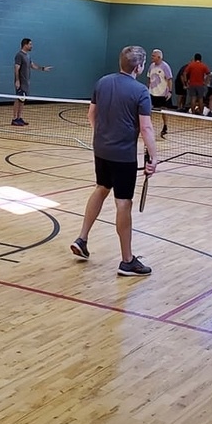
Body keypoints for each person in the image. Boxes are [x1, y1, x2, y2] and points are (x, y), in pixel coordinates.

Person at [70, 45, 159, 277]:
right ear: (139, 67)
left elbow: (92, 115)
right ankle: (127, 261)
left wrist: (101, 136)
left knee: (101, 188)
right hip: (123, 156)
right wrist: (154, 157)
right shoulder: (141, 92)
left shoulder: (102, 82)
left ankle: (82, 238)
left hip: (101, 150)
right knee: (123, 203)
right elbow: (146, 127)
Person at [12, 38, 52, 126]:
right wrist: (17, 80)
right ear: (25, 45)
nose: (31, 46)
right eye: (30, 44)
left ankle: (19, 117)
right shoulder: (19, 55)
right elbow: (16, 68)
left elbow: (32, 65)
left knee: (22, 100)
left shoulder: (28, 56)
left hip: (26, 82)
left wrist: (42, 68)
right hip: (21, 82)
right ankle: (14, 119)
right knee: (18, 99)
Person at [146, 49, 174, 138]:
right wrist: (147, 89)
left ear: (159, 57)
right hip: (152, 93)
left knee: (164, 112)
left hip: (162, 94)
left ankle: (165, 126)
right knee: (149, 110)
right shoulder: (151, 66)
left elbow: (169, 79)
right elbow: (148, 78)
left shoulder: (165, 66)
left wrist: (170, 91)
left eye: (153, 56)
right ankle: (148, 127)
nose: (152, 57)